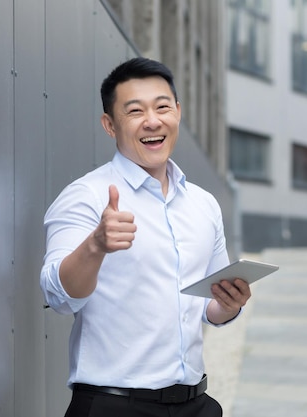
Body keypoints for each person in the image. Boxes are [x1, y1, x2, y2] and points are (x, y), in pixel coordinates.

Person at [40, 57, 251, 417]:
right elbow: (57, 295)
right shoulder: (86, 196)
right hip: (114, 406)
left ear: (178, 113)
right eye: (135, 111)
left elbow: (209, 308)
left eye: (162, 107)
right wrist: (95, 246)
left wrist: (229, 305)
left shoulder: (203, 204)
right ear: (110, 125)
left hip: (196, 404)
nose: (153, 121)